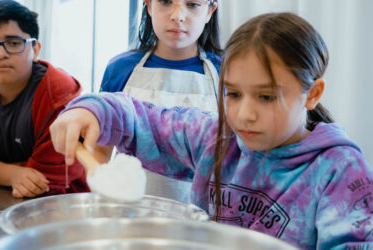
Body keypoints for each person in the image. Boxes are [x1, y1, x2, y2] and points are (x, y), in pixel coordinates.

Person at [50, 12, 373, 249]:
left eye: (266, 96)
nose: (244, 115)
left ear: (312, 94)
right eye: (232, 94)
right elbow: (142, 119)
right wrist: (89, 110)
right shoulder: (215, 139)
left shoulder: (339, 169)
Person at [100, 0, 221, 203]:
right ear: (148, 5)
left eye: (192, 5)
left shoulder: (227, 72)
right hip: (128, 211)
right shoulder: (119, 69)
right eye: (165, 2)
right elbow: (101, 151)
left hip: (201, 218)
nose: (178, 16)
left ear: (210, 11)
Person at [0, 0, 90, 198]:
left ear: (35, 49)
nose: (0, 54)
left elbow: (46, 179)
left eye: (14, 43)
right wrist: (13, 174)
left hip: (61, 203)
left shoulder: (58, 94)